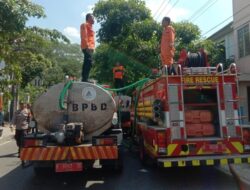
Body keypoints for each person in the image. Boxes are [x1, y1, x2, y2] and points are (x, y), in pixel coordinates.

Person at [80, 13, 95, 82]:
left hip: (91, 48)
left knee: (88, 62)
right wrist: (87, 46)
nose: (94, 19)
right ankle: (85, 79)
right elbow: (84, 36)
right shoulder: (84, 25)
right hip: (87, 47)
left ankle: (85, 78)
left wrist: (93, 48)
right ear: (88, 18)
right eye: (92, 17)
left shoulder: (91, 28)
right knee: (88, 62)